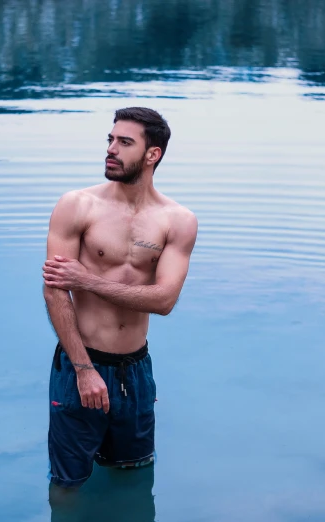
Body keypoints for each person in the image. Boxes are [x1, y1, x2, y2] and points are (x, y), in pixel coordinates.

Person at [42, 107, 198, 491]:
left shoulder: (177, 221)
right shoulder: (77, 205)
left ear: (152, 155)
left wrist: (87, 280)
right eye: (110, 140)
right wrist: (83, 369)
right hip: (80, 364)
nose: (111, 149)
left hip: (135, 371)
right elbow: (54, 289)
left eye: (124, 142)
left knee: (133, 475)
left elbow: (164, 301)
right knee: (67, 483)